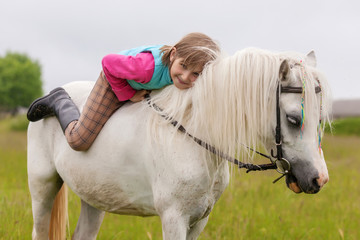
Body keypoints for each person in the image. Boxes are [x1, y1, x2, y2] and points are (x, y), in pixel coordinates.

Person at [27, 32, 220, 151]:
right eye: (183, 66)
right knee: (79, 140)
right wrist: (128, 94)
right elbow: (108, 62)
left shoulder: (182, 75)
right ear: (173, 54)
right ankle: (59, 100)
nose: (186, 77)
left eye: (195, 73)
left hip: (142, 86)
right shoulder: (145, 67)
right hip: (114, 82)